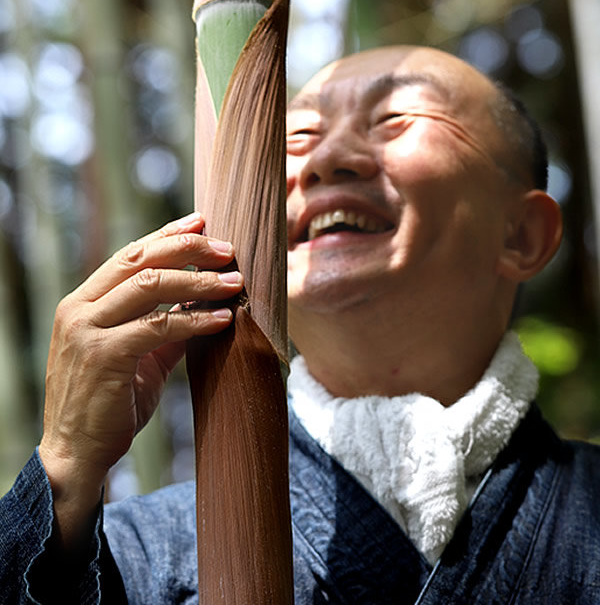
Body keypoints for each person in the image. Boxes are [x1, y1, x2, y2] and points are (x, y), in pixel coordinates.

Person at [1, 45, 599, 604]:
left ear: (521, 235)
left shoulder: (587, 512)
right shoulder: (132, 556)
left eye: (394, 119)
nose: (323, 161)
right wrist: (67, 470)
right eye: (300, 135)